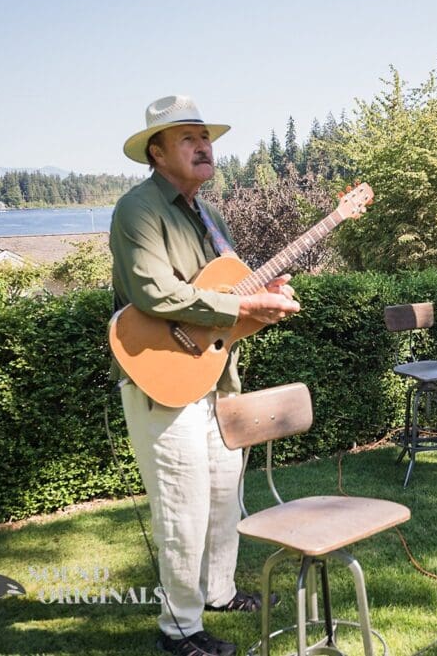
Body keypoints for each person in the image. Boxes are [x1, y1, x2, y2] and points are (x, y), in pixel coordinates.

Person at [110, 95, 301, 656]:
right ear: (157, 151)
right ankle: (179, 630)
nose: (203, 146)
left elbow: (230, 296)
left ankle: (217, 592)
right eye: (188, 137)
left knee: (222, 497)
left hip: (216, 379)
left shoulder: (207, 216)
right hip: (161, 380)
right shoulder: (138, 209)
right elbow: (154, 291)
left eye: (206, 137)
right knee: (182, 507)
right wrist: (241, 308)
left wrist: (265, 302)